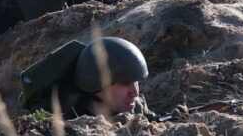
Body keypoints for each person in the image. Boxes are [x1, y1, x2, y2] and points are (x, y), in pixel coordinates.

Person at [20, 37, 149, 119]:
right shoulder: (69, 126)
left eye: (135, 81)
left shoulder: (135, 107)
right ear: (96, 84)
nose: (135, 92)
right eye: (125, 83)